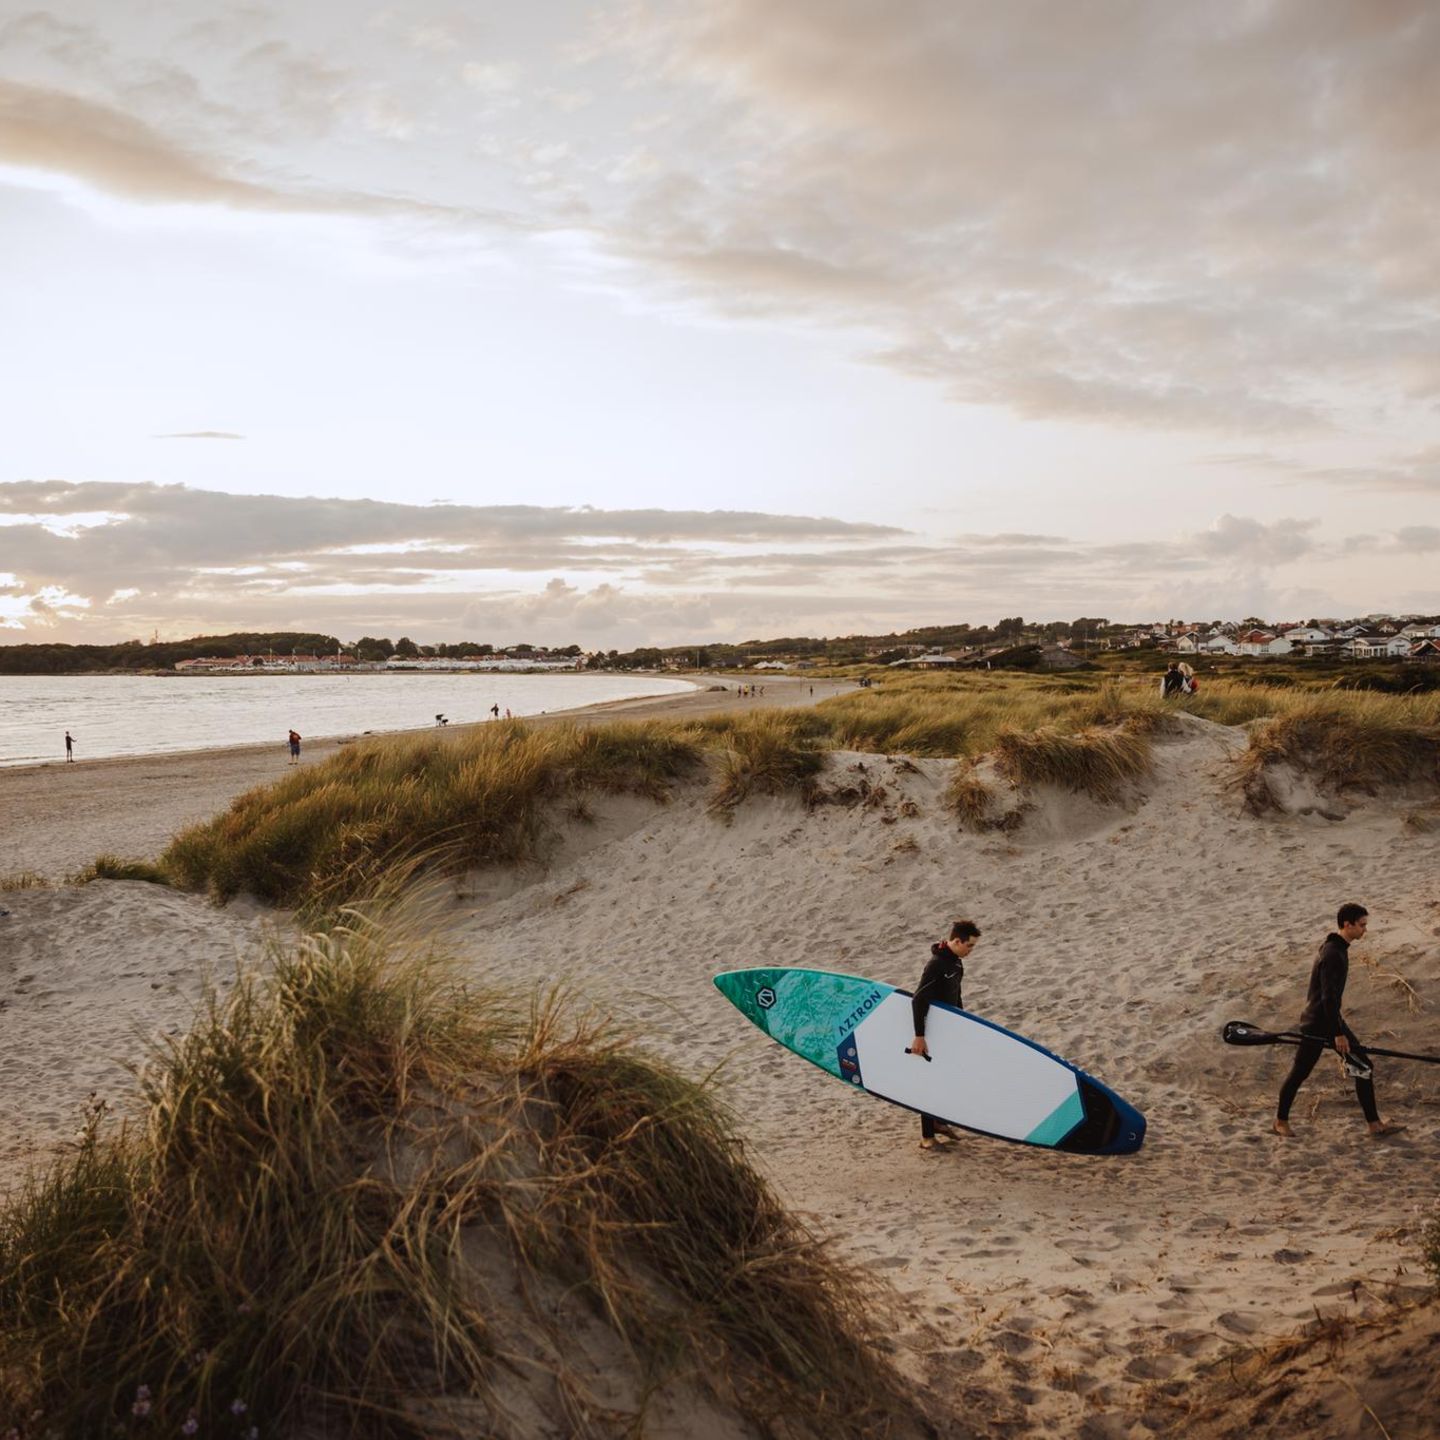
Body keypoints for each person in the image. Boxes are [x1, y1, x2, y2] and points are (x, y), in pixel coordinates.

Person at [1274, 904, 1402, 1138]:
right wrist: (1338, 1033)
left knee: (1361, 1066)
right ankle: (1280, 1122)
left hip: (1323, 1021)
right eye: (1362, 925)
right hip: (1320, 1023)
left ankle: (1374, 1124)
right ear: (1347, 924)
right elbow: (1328, 998)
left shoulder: (1336, 947)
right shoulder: (1333, 952)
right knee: (1306, 1071)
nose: (1365, 930)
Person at [910, 918, 982, 1149]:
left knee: (947, 1077)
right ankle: (927, 1138)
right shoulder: (937, 964)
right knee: (929, 1080)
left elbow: (956, 996)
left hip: (948, 1029)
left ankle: (938, 1122)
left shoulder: (956, 963)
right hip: (931, 1031)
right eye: (969, 946)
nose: (971, 951)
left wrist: (962, 1023)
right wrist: (919, 1036)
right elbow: (919, 999)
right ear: (957, 941)